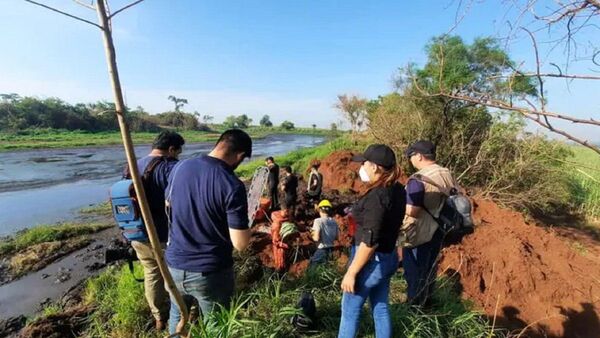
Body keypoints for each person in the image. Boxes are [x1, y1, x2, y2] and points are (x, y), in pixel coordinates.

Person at [165, 129, 253, 335]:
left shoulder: (180, 167)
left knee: (178, 317)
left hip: (174, 265)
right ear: (239, 156)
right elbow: (240, 244)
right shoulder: (232, 184)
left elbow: (168, 203)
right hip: (210, 272)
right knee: (216, 325)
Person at [338, 144, 406, 338]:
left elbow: (369, 240)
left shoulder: (378, 196)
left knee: (350, 311)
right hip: (388, 256)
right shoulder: (398, 189)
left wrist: (351, 273)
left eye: (365, 163)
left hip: (370, 260)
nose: (362, 167)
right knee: (380, 306)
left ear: (375, 167)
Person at [123, 130, 184, 331]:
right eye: (178, 152)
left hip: (136, 232)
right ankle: (181, 313)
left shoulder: (132, 164)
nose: (178, 156)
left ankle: (158, 316)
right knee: (175, 273)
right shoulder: (171, 167)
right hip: (165, 234)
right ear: (171, 149)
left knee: (151, 273)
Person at [400, 140, 458, 307]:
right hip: (439, 229)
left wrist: (397, 205)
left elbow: (413, 211)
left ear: (419, 156)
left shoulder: (417, 179)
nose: (410, 160)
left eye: (411, 156)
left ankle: (414, 307)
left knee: (413, 270)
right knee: (430, 268)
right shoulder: (446, 172)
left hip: (418, 232)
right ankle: (427, 300)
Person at [309, 199, 339, 266]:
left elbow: (316, 238)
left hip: (321, 249)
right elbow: (336, 237)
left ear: (320, 210)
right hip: (331, 250)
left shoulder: (318, 221)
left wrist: (312, 232)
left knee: (312, 270)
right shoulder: (334, 222)